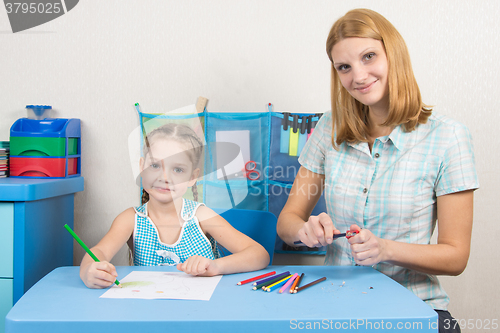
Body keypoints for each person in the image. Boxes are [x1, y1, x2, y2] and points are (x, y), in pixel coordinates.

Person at [277, 8, 478, 333]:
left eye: (368, 57)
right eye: (344, 67)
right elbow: (287, 221)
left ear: (393, 54)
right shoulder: (328, 129)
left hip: (414, 306)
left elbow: (456, 257)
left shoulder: (448, 137)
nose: (357, 76)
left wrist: (385, 249)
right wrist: (303, 232)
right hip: (335, 305)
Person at [80, 123, 270, 288]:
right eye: (155, 166)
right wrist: (89, 270)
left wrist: (216, 267)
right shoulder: (130, 219)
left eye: (178, 169)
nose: (164, 177)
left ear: (192, 177)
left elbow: (258, 254)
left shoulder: (202, 216)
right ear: (141, 167)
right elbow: (100, 252)